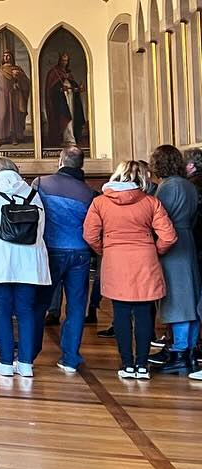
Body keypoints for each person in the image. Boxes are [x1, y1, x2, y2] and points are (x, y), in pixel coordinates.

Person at [84, 162, 177, 381]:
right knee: (144, 314)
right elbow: (169, 237)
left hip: (115, 260)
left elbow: (90, 235)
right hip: (145, 261)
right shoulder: (151, 202)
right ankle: (142, 366)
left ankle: (127, 365)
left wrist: (105, 249)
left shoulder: (100, 202)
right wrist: (154, 251)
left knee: (121, 314)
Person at [0, 157, 50, 377]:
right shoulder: (33, 194)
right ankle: (25, 364)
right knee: (26, 311)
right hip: (29, 262)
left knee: (1, 310)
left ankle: (5, 363)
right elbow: (41, 228)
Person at [34, 147, 97, 374]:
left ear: (60, 161)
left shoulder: (41, 183)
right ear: (81, 165)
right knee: (77, 306)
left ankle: (28, 354)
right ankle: (70, 358)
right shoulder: (89, 193)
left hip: (50, 250)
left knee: (39, 304)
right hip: (80, 252)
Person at [150, 145, 199, 375]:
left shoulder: (168, 186)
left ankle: (180, 351)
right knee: (190, 298)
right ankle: (188, 349)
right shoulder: (189, 185)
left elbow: (160, 218)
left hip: (172, 244)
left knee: (177, 299)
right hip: (188, 240)